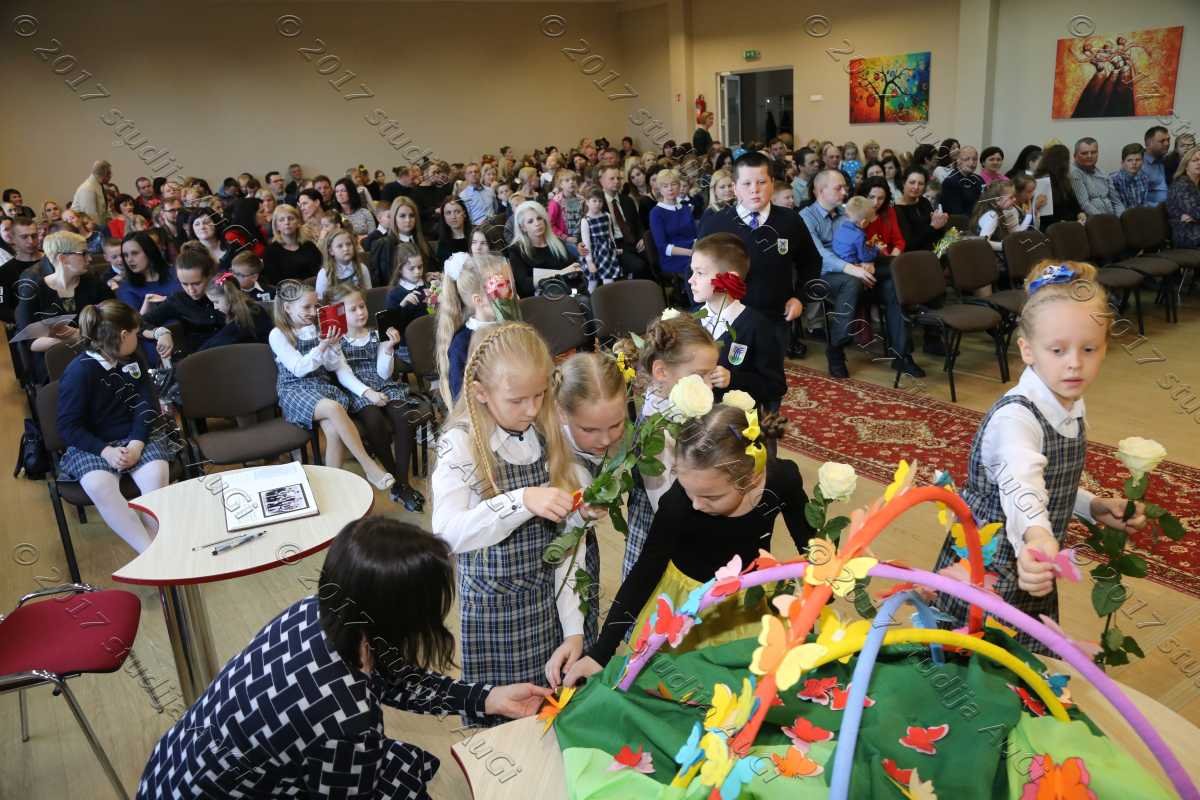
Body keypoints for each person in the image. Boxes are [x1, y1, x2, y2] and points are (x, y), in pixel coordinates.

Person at [137, 517, 550, 797]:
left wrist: (486, 698)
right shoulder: (347, 719)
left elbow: (393, 677)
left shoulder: (320, 610)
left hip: (172, 771)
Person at [932, 261, 1145, 654]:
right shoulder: (1016, 418)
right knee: (975, 662)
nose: (1074, 363)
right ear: (1027, 350)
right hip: (986, 571)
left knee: (1023, 665)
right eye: (1057, 350)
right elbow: (1021, 484)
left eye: (1089, 349)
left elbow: (1046, 479)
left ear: (1105, 347)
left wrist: (1091, 505)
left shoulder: (1068, 403)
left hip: (1034, 564)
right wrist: (1039, 535)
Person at [559, 402, 814, 687]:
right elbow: (644, 573)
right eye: (688, 489)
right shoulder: (677, 505)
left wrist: (819, 595)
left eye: (711, 497)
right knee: (676, 688)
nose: (696, 504)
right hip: (683, 609)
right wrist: (601, 653)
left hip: (746, 606)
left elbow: (810, 543)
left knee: (741, 687)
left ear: (752, 477)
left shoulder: (781, 480)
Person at [430, 322, 586, 698]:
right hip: (493, 620)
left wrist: (574, 629)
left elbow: (569, 549)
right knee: (507, 712)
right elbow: (447, 534)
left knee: (551, 704)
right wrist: (521, 500)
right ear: (480, 392)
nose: (532, 409)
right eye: (517, 400)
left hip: (547, 607)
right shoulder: (461, 444)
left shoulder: (545, 433)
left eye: (540, 395)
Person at [57, 300, 179, 554]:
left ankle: (161, 548)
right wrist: (106, 451)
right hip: (94, 444)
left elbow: (146, 405)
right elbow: (68, 427)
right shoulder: (79, 372)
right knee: (99, 486)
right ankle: (150, 554)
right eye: (136, 333)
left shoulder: (132, 357)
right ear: (123, 336)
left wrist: (136, 443)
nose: (138, 337)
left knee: (155, 475)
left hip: (137, 434)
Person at [616, 314, 719, 579]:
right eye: (700, 375)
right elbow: (665, 504)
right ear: (661, 372)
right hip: (661, 543)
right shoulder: (656, 432)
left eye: (712, 375)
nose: (709, 386)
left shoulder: (677, 406)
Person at [270, 281, 395, 490]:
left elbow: (333, 365)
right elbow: (299, 369)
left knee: (333, 431)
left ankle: (332, 485)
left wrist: (333, 346)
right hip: (295, 390)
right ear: (287, 308)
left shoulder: (317, 328)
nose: (313, 312)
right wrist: (322, 346)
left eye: (315, 306)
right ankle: (369, 466)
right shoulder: (278, 334)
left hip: (321, 386)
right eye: (306, 307)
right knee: (334, 408)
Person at [699, 151, 821, 361]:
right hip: (729, 319)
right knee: (731, 371)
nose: (754, 190)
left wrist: (800, 298)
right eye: (746, 184)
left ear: (772, 183)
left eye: (762, 182)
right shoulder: (716, 223)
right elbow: (694, 269)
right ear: (735, 187)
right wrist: (704, 308)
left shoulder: (790, 221)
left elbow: (811, 262)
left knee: (769, 374)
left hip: (775, 318)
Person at [550, 351, 628, 652]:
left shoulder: (609, 444)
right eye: (590, 430)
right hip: (553, 563)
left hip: (583, 553)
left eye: (616, 425)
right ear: (561, 412)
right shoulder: (552, 459)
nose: (605, 440)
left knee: (585, 628)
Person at [326, 284, 424, 510]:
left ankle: (401, 484)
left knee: (404, 416)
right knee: (374, 421)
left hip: (383, 383)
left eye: (362, 306)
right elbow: (343, 374)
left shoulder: (375, 334)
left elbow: (384, 373)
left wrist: (388, 348)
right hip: (357, 389)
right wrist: (368, 393)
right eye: (353, 309)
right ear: (339, 314)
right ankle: (396, 480)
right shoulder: (337, 341)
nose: (360, 312)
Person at [689, 233, 786, 411]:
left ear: (730, 278)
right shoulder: (690, 320)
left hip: (734, 418)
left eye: (699, 273)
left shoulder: (757, 326)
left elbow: (776, 386)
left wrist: (734, 379)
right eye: (692, 271)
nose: (690, 280)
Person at [15, 231, 114, 384]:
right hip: (55, 364)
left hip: (98, 355)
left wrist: (81, 336)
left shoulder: (95, 284)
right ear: (63, 258)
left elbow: (114, 321)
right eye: (83, 253)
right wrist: (73, 338)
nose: (89, 258)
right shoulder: (33, 291)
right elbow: (30, 342)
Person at [435, 252, 510, 405]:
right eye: (501, 286)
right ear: (478, 300)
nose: (510, 293)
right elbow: (462, 399)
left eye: (509, 284)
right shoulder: (462, 344)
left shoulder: (511, 327)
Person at [140, 242, 225, 360]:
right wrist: (161, 333)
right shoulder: (178, 300)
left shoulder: (225, 290)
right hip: (203, 360)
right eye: (184, 284)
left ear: (209, 276)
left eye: (196, 283)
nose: (191, 290)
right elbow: (140, 323)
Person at [507, 201, 581, 298]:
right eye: (530, 221)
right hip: (537, 300)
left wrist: (572, 272)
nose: (537, 223)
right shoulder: (516, 250)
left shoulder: (556, 242)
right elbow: (524, 286)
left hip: (566, 293)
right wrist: (561, 273)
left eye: (539, 218)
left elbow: (573, 267)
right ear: (523, 228)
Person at [369, 196, 433, 289]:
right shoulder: (383, 245)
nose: (408, 220)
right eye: (402, 216)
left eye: (411, 215)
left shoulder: (422, 243)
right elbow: (383, 282)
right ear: (394, 218)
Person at [598, 166, 649, 280]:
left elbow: (638, 223)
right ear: (601, 181)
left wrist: (642, 238)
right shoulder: (598, 202)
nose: (616, 181)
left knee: (653, 257)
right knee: (639, 266)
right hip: (616, 246)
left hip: (634, 241)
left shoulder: (627, 200)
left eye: (619, 178)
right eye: (612, 178)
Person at [201, 270, 273, 349]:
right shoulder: (252, 308)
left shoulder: (246, 318)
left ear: (229, 296)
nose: (215, 307)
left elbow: (219, 339)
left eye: (216, 302)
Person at [649, 169, 697, 283]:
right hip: (673, 258)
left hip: (693, 252)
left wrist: (697, 250)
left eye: (673, 184)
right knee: (700, 267)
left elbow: (695, 236)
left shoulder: (686, 208)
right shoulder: (656, 213)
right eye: (665, 186)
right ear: (660, 189)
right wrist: (691, 253)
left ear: (679, 186)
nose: (670, 189)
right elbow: (663, 247)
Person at [117, 232, 179, 319]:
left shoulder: (175, 273)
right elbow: (134, 324)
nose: (129, 260)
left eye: (135, 253)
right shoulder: (126, 289)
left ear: (149, 251)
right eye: (125, 255)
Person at [970, 178, 1035, 255]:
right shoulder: (992, 216)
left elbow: (1016, 232)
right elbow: (983, 242)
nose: (1014, 199)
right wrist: (1005, 245)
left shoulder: (1000, 211)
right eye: (1011, 197)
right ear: (997, 200)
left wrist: (1029, 215)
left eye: (1014, 196)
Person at [263, 205, 322, 284]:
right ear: (276, 226)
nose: (287, 222)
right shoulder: (271, 251)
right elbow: (274, 281)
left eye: (290, 218)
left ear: (298, 222)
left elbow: (321, 271)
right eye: (282, 220)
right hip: (287, 290)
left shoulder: (309, 246)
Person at [1069, 137, 1124, 216]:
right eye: (1084, 153)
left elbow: (1116, 201)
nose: (1089, 156)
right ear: (1075, 156)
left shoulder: (1103, 173)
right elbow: (1084, 204)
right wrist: (1106, 220)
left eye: (1093, 152)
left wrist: (1121, 218)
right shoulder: (1074, 173)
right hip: (1093, 220)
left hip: (1111, 218)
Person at [579, 188, 620, 293]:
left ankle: (609, 300)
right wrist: (589, 262)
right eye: (594, 201)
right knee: (593, 282)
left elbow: (610, 235)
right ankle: (589, 300)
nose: (597, 204)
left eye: (600, 201)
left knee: (609, 280)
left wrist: (614, 248)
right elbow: (586, 243)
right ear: (587, 202)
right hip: (593, 254)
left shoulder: (607, 216)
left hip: (606, 253)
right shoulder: (585, 220)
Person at [1035, 144, 1086, 226]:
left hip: (1069, 224)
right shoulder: (1043, 181)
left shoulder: (1064, 180)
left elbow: (1075, 205)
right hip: (1053, 227)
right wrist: (1062, 222)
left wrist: (1080, 214)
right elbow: (1044, 215)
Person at [315, 228, 371, 300]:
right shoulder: (324, 274)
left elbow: (369, 294)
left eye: (349, 244)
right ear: (331, 251)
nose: (346, 249)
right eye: (340, 246)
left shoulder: (362, 268)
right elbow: (321, 301)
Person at [859, 176, 906, 257]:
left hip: (889, 257)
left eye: (880, 198)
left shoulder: (888, 211)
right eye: (871, 197)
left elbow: (899, 242)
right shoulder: (856, 214)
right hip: (866, 259)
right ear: (864, 196)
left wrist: (891, 259)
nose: (875, 202)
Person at [1167, 146, 1200, 249]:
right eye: (1195, 160)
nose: (1199, 163)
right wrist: (1195, 216)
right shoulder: (1181, 184)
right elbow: (1196, 212)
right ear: (1186, 166)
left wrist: (1194, 217)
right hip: (1187, 234)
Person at [939, 146, 984, 214]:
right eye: (966, 159)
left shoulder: (979, 179)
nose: (971, 163)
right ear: (958, 160)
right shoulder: (950, 182)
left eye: (975, 159)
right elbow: (956, 213)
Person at [547, 169, 585, 247]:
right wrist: (565, 237)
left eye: (573, 179)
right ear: (561, 185)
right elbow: (550, 224)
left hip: (581, 236)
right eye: (567, 180)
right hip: (564, 240)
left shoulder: (581, 199)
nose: (571, 182)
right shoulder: (555, 202)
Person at [1110, 143, 1152, 210]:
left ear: (1143, 162)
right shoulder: (1112, 180)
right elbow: (1115, 207)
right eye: (1129, 160)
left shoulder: (1145, 178)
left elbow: (1145, 204)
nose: (1134, 163)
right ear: (1122, 163)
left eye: (1138, 160)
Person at [434, 197, 472, 270]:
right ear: (444, 217)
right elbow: (442, 269)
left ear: (464, 214)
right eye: (448, 213)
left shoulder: (475, 237)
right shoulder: (442, 243)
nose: (453, 217)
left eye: (457, 212)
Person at [72, 160, 111, 225]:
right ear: (104, 174)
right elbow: (90, 216)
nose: (110, 176)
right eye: (109, 173)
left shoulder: (98, 185)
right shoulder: (87, 188)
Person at [1140, 126, 1171, 206]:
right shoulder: (1139, 165)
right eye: (1162, 141)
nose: (1167, 144)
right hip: (1153, 210)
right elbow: (1138, 199)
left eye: (1168, 140)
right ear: (1149, 143)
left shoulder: (1169, 160)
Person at [457, 162, 495, 227]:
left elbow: (496, 208)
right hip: (476, 227)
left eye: (476, 172)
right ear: (466, 176)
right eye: (470, 172)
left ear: (480, 174)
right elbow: (465, 218)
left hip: (494, 225)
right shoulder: (463, 196)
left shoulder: (490, 191)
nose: (473, 174)